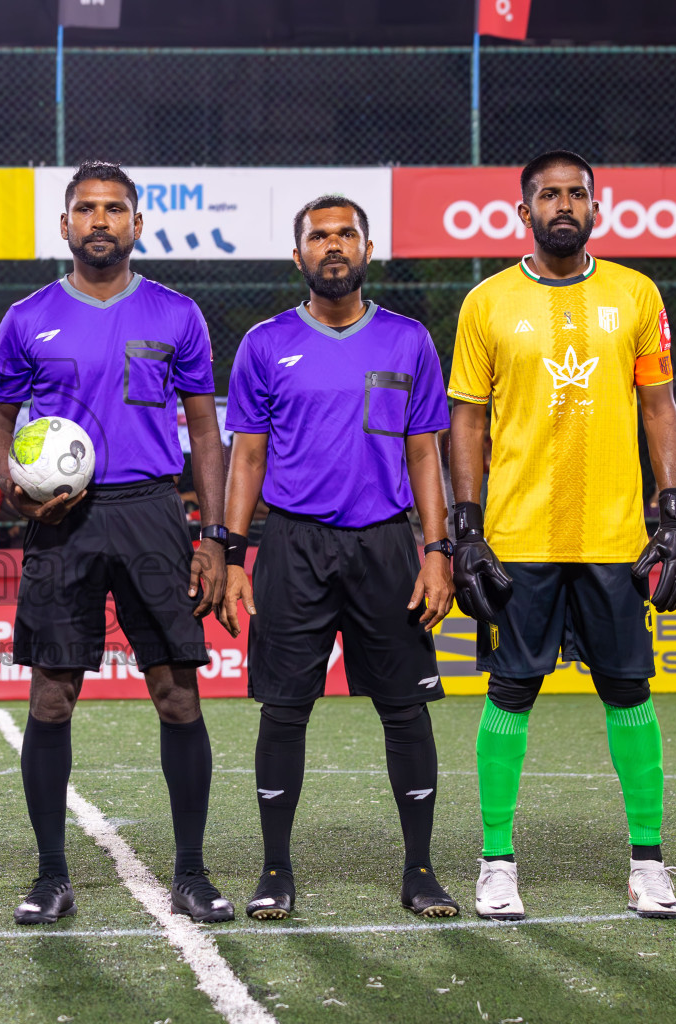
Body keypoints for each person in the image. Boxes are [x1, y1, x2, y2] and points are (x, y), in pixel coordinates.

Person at [448, 151, 676, 922]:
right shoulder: (486, 302)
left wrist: (675, 514)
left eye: (576, 194)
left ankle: (649, 863)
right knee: (511, 692)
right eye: (548, 194)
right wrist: (465, 528)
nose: (564, 204)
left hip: (616, 537)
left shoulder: (635, 293)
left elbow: (659, 407)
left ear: (597, 207)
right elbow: (467, 419)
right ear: (522, 211)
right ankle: (496, 861)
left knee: (629, 690)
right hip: (519, 535)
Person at [0, 162, 232, 926]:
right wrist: (13, 491)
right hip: (60, 522)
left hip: (154, 510)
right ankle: (51, 875)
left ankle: (190, 873)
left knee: (176, 692)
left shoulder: (178, 312)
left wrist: (217, 537)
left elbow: (204, 430)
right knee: (51, 697)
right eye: (86, 209)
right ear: (64, 226)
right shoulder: (27, 318)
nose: (100, 221)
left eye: (114, 210)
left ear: (136, 225)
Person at [218, 195, 459, 921]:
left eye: (344, 234)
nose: (332, 246)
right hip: (293, 544)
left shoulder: (408, 339)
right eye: (318, 236)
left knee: (405, 709)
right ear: (298, 256)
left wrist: (437, 549)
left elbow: (426, 453)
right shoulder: (264, 344)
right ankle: (275, 869)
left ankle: (419, 870)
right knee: (283, 711)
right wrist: (234, 556)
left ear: (366, 248)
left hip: (387, 544)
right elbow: (247, 458)